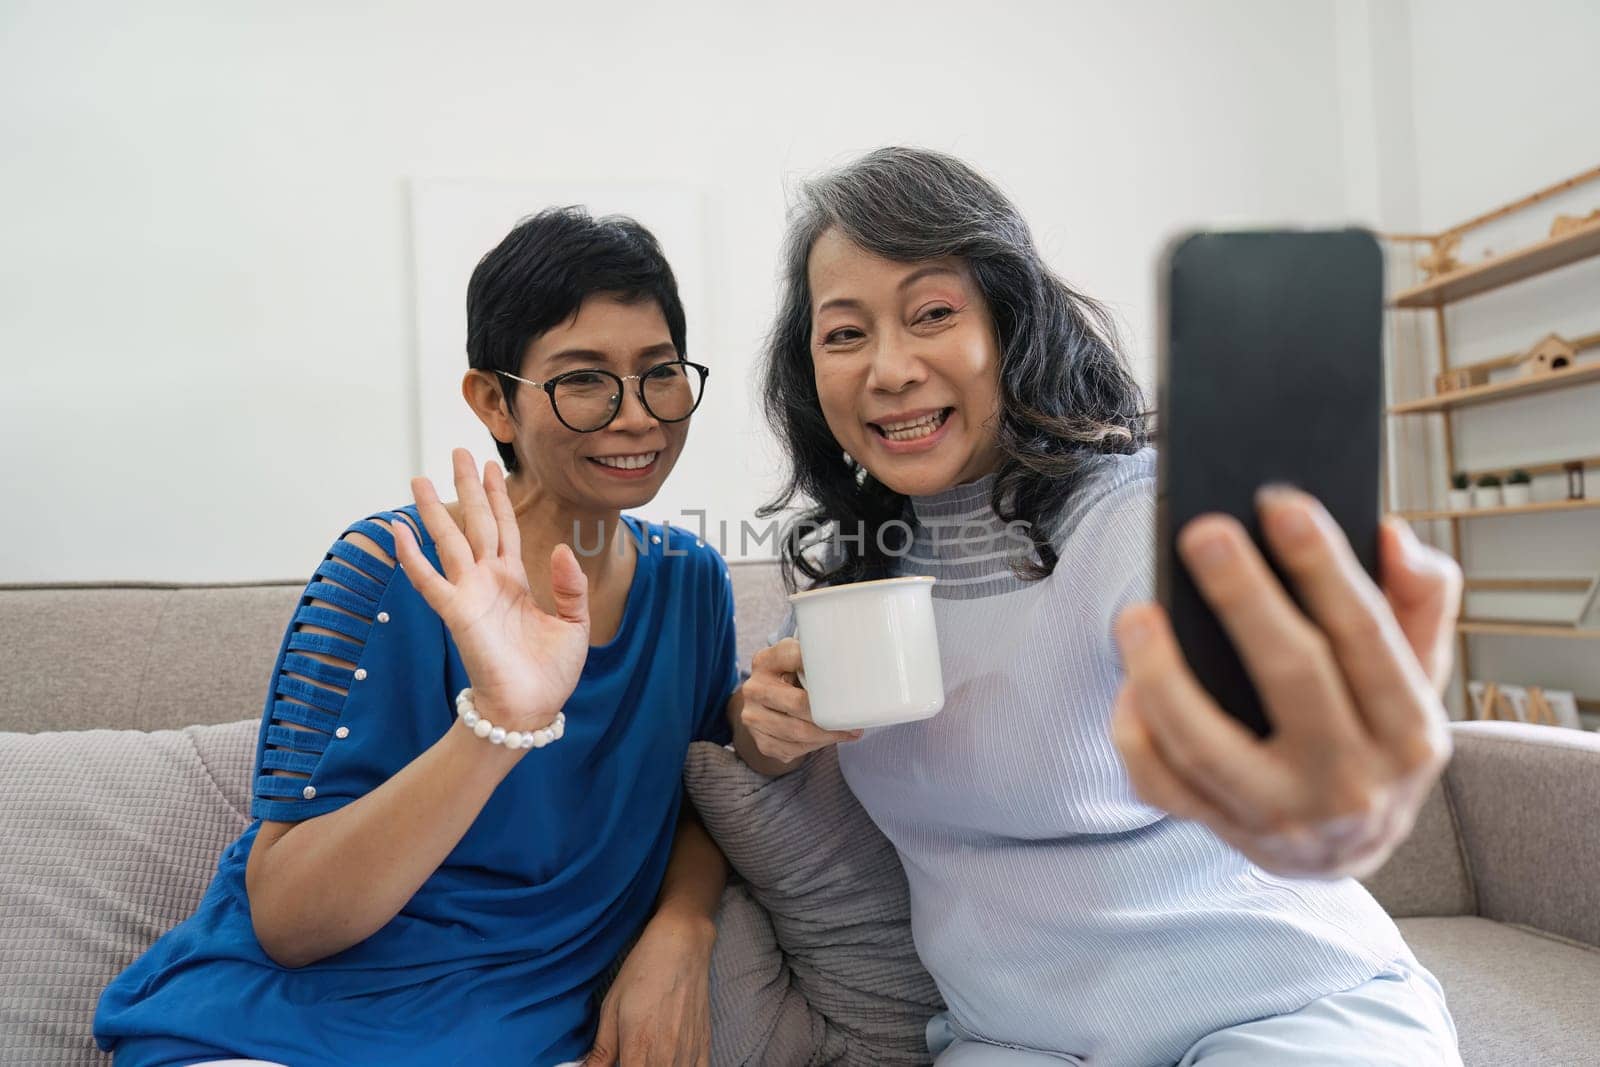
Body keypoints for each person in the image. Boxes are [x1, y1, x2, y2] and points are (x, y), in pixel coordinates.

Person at [733, 147, 1464, 1066]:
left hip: (1282, 1001)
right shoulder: (855, 568)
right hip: (1019, 1041)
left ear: (1010, 324)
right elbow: (766, 728)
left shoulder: (1133, 518)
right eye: (844, 334)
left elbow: (1290, 718)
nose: (889, 367)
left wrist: (1341, 771)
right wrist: (761, 726)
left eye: (932, 315)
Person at [95, 207, 737, 1067]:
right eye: (584, 379)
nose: (637, 417)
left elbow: (705, 795)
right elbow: (287, 920)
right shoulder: (388, 569)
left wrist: (683, 929)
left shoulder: (693, 581)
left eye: (659, 372)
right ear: (494, 401)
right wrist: (497, 723)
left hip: (521, 1032)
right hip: (282, 1030)